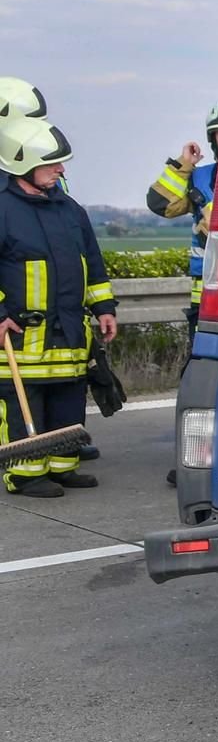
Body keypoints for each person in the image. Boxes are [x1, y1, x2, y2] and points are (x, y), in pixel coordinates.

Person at [0, 115, 118, 498]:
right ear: (24, 165)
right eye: (52, 163)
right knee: (25, 407)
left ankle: (63, 467)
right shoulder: (2, 209)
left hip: (69, 332)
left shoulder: (70, 210)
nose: (61, 169)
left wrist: (104, 308)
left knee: (68, 399)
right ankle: (26, 475)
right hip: (22, 337)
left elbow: (93, 264)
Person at [147, 101, 218, 337]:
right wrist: (183, 166)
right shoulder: (199, 177)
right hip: (206, 293)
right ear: (212, 138)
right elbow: (161, 205)